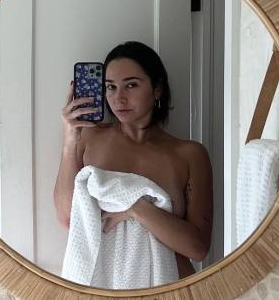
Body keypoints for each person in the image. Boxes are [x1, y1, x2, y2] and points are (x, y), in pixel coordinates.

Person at [54, 41, 213, 287]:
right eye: (110, 87)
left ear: (157, 89)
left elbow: (197, 248)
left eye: (131, 85)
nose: (119, 98)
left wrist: (135, 208)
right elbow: (68, 218)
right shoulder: (88, 138)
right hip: (105, 292)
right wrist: (69, 144)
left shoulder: (189, 154)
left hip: (172, 291)